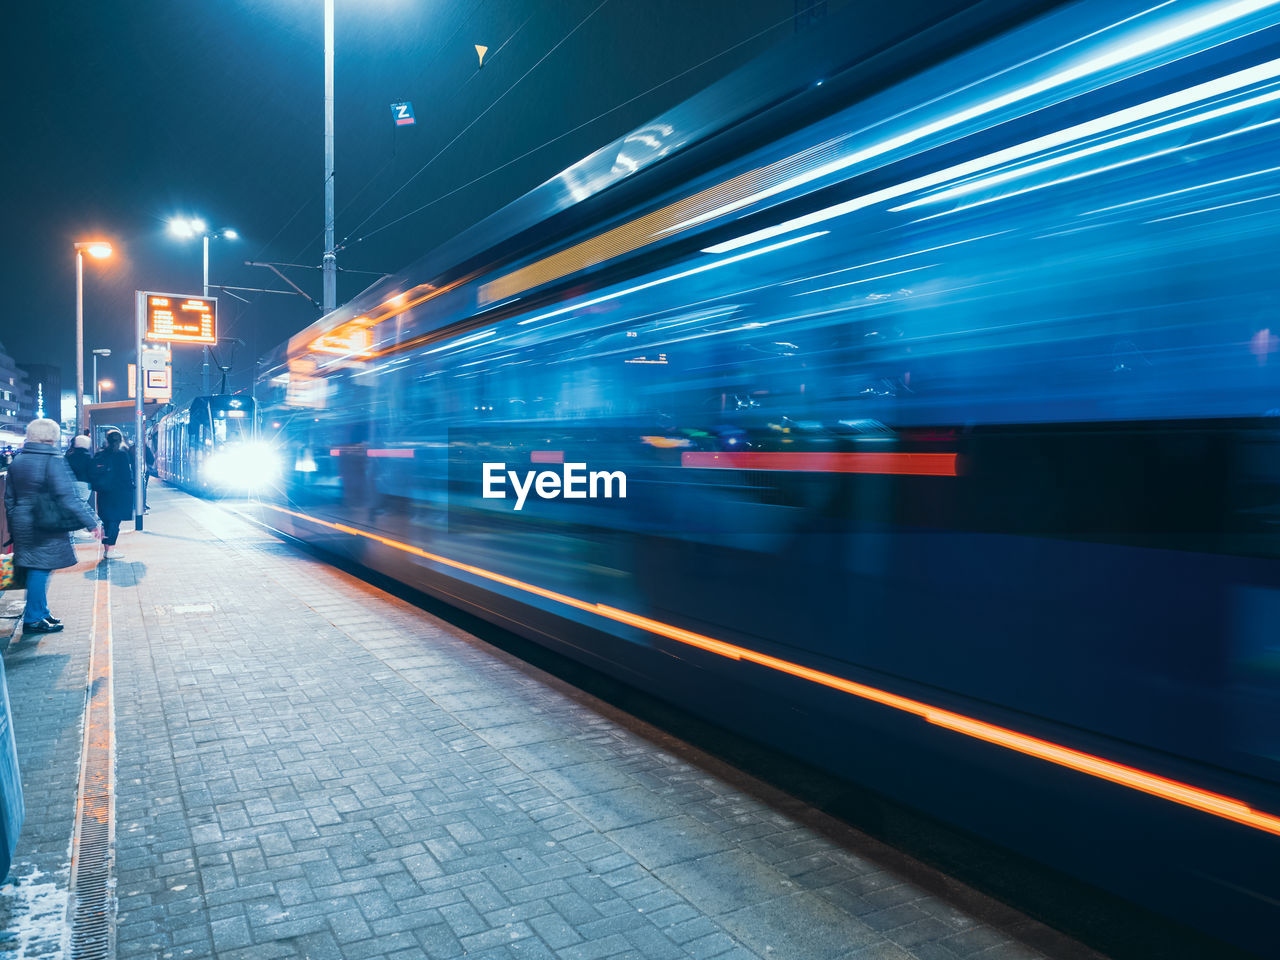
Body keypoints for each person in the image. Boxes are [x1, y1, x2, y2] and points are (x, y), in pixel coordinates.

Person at [3, 419, 102, 634]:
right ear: (52, 436)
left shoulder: (18, 461)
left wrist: (14, 522)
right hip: (44, 521)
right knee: (40, 568)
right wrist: (91, 522)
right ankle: (33, 618)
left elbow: (9, 498)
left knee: (36, 567)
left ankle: (41, 611)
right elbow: (68, 497)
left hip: (23, 519)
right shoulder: (53, 460)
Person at [90, 429, 135, 561]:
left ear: (107, 440)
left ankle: (106, 550)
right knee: (115, 521)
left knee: (106, 520)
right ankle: (111, 550)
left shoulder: (100, 454)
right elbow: (126, 475)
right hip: (119, 492)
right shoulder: (121, 455)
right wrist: (131, 487)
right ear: (120, 440)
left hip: (104, 492)